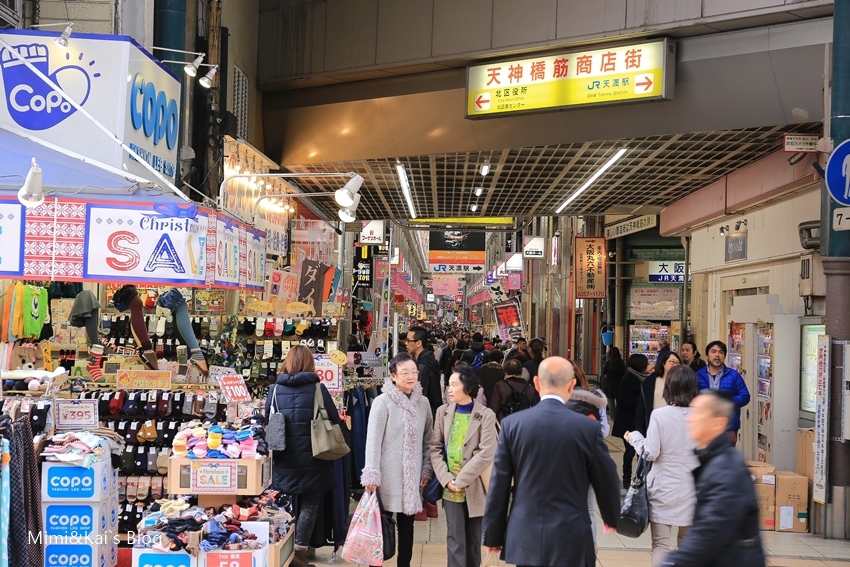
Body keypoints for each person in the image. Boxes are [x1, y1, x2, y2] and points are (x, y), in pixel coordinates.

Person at [482, 357, 620, 567]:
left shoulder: (513, 425)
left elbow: (499, 484)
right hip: (571, 534)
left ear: (536, 383)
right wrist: (611, 517)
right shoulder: (587, 427)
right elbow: (607, 475)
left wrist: (493, 535)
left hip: (525, 533)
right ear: (572, 385)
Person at [661, 390, 765, 567]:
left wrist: (674, 562)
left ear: (718, 423)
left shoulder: (726, 471)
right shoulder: (713, 461)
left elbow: (710, 531)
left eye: (698, 413)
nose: (690, 418)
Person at [266, 345, 342, 567]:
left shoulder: (276, 390)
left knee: (283, 505)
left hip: (284, 456)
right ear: (310, 364)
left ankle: (281, 550)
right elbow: (334, 419)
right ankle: (300, 550)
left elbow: (266, 419)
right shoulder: (318, 389)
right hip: (314, 457)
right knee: (310, 504)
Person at [361, 352, 434, 567]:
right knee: (380, 525)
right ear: (393, 375)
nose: (411, 376)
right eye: (405, 372)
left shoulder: (423, 403)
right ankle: (375, 563)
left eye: (414, 372)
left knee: (407, 525)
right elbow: (372, 441)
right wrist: (371, 473)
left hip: (412, 475)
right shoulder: (382, 403)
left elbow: (428, 438)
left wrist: (426, 468)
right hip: (386, 473)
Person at [625, 365, 699, 567]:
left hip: (663, 487)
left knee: (660, 544)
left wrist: (635, 439)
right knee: (687, 545)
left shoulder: (660, 415)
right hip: (694, 489)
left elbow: (651, 452)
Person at [429, 364, 498, 567]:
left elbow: (486, 453)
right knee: (455, 540)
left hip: (476, 486)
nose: (448, 389)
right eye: (448, 385)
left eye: (453, 385)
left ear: (467, 387)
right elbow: (434, 448)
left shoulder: (486, 415)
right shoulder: (443, 412)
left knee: (474, 540)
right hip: (450, 488)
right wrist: (447, 478)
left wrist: (462, 479)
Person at [565, 359, 609, 548]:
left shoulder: (557, 399)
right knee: (588, 509)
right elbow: (604, 429)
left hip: (563, 461)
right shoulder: (596, 397)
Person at [695, 341, 751, 445]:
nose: (717, 355)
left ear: (724, 356)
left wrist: (726, 402)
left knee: (726, 458)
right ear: (707, 355)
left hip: (728, 428)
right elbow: (691, 397)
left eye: (721, 352)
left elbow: (745, 396)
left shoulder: (734, 375)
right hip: (704, 427)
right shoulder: (698, 375)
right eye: (713, 351)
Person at [612, 354, 650, 488]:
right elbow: (623, 400)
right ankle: (627, 478)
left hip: (638, 422)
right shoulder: (628, 379)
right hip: (628, 422)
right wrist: (640, 402)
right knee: (630, 452)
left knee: (640, 451)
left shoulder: (643, 379)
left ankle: (640, 476)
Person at [634, 350, 682, 435]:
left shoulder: (682, 382)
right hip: (654, 425)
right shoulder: (651, 382)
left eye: (677, 363)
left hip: (674, 426)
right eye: (671, 362)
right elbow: (642, 407)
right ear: (663, 363)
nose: (675, 365)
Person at [407, 326, 443, 416]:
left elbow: (421, 396)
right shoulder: (428, 361)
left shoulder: (422, 367)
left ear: (418, 343)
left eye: (408, 341)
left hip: (424, 415)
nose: (406, 344)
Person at [602, 346, 626, 413]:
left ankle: (612, 417)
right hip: (619, 384)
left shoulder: (608, 363)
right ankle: (619, 415)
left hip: (610, 384)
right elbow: (624, 372)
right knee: (619, 402)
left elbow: (604, 372)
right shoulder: (621, 362)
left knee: (610, 401)